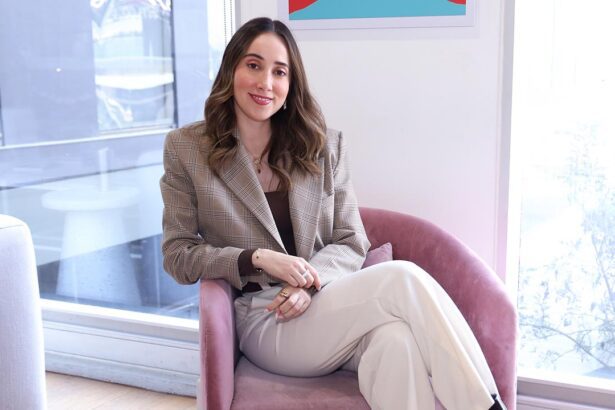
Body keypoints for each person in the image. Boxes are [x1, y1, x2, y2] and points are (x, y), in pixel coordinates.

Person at [160, 17, 507, 410]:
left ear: (291, 85)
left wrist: (310, 283)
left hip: (328, 302)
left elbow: (352, 239)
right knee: (403, 278)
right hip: (267, 317)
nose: (265, 83)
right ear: (231, 71)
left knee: (397, 341)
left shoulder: (322, 147)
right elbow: (178, 255)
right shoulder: (188, 149)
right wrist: (256, 258)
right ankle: (485, 405)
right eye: (253, 65)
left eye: (279, 72)